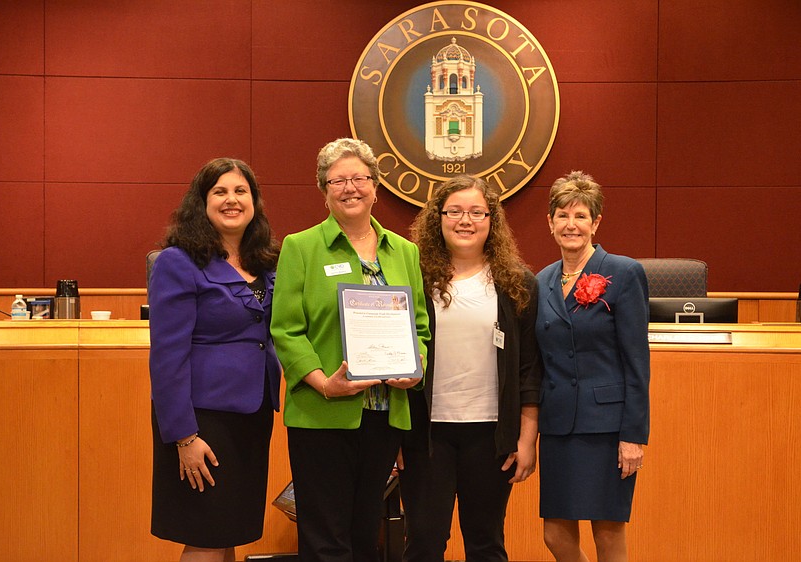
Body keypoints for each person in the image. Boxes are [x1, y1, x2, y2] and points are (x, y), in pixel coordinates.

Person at [269, 137, 430, 561]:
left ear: (376, 187)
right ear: (324, 192)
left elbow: (420, 326)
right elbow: (285, 329)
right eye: (337, 180)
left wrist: (416, 368)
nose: (349, 187)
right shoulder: (299, 248)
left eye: (359, 178)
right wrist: (323, 383)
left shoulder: (406, 251)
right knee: (325, 540)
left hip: (384, 415)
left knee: (365, 536)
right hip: (322, 415)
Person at [402, 174, 541, 562]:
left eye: (477, 212)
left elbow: (530, 370)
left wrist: (527, 439)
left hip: (491, 435)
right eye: (455, 211)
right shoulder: (415, 278)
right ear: (438, 218)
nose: (466, 220)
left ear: (491, 221)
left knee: (485, 543)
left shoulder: (517, 284)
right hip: (426, 435)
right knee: (425, 542)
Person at [148, 158, 282, 562]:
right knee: (205, 534)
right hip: (202, 420)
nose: (232, 200)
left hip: (252, 415)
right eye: (220, 192)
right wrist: (184, 437)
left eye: (241, 191)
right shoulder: (178, 262)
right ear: (201, 202)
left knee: (229, 530)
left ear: (254, 202)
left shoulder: (267, 261)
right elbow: (167, 357)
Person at [535, 171, 650, 562]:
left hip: (607, 427)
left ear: (596, 223)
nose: (571, 225)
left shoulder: (623, 272)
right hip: (557, 426)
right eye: (563, 215)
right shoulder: (541, 281)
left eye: (581, 216)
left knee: (607, 533)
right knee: (555, 534)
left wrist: (634, 435)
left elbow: (637, 362)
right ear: (550, 222)